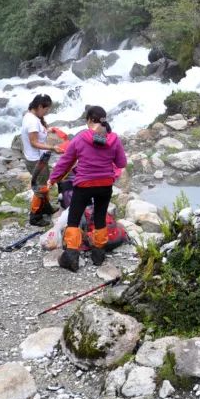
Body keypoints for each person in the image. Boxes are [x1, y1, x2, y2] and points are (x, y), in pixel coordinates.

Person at [48, 105, 127, 271]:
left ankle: (71, 257)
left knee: (74, 219)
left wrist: (53, 179)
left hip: (84, 185)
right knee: (99, 217)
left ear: (89, 120)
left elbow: (65, 162)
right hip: (105, 185)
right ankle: (98, 255)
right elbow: (121, 163)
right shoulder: (113, 138)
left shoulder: (81, 137)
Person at [22, 94, 60, 227]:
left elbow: (37, 132)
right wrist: (52, 147)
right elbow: (34, 142)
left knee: (44, 184)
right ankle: (35, 216)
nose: (47, 112)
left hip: (38, 157)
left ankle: (46, 207)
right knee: (41, 187)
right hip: (36, 160)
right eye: (46, 109)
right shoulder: (32, 121)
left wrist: (48, 130)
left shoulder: (31, 116)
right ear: (39, 107)